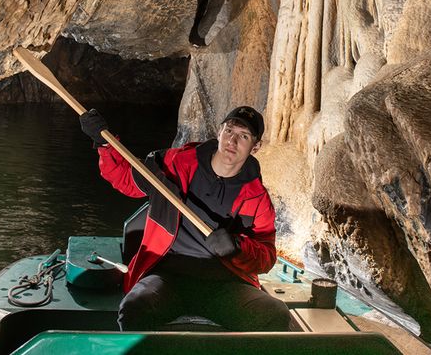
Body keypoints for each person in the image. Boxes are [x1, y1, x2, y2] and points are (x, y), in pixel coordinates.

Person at [79, 105, 292, 332]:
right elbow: (126, 179)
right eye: (229, 131)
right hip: (167, 277)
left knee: (276, 314)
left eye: (244, 136)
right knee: (134, 307)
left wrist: (237, 248)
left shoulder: (257, 197)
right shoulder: (176, 164)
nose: (232, 140)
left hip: (226, 284)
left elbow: (266, 258)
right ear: (219, 132)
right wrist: (104, 143)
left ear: (255, 146)